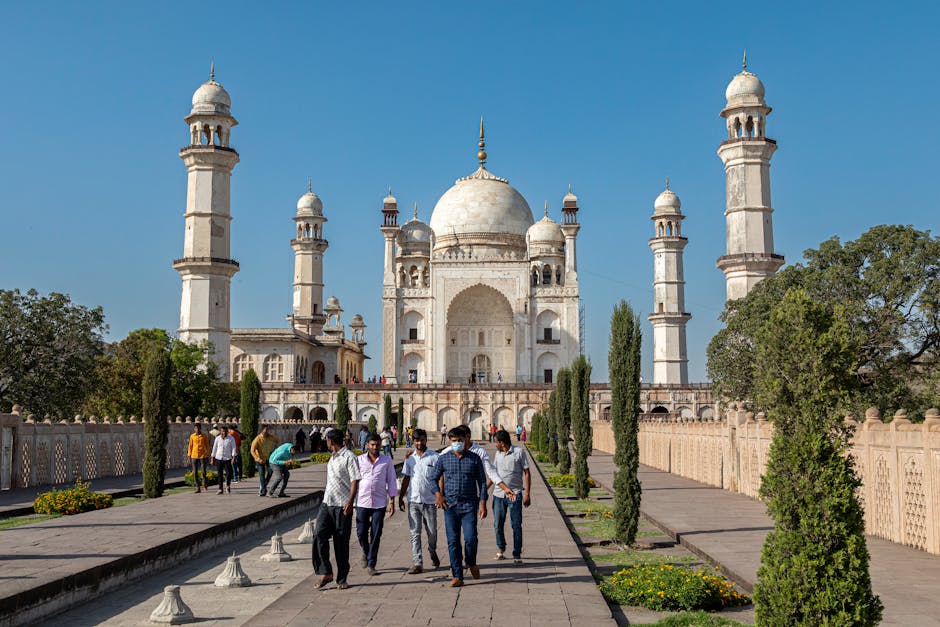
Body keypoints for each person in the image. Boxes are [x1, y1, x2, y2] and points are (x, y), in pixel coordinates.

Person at [429, 427, 488, 587]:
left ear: (466, 440)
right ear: (450, 441)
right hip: (451, 506)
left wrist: (483, 503)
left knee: (471, 538)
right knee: (453, 541)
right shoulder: (444, 458)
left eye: (459, 441)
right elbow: (433, 479)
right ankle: (457, 575)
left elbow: (482, 482)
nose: (457, 444)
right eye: (454, 441)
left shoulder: (474, 459)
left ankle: (470, 561)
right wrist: (438, 496)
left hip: (469, 505)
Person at [313, 428, 361, 591]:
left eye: (327, 440)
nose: (326, 442)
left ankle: (342, 578)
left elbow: (355, 480)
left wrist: (350, 501)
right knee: (319, 534)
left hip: (342, 505)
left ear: (331, 441)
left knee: (341, 542)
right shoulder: (333, 458)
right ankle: (325, 571)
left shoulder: (349, 457)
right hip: (327, 503)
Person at [398, 428, 440, 574]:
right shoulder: (410, 459)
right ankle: (417, 563)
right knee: (415, 533)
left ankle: (432, 550)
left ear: (425, 440)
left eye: (421, 440)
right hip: (414, 501)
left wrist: (440, 495)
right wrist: (401, 497)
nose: (419, 443)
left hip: (429, 501)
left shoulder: (434, 457)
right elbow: (406, 478)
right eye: (416, 440)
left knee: (432, 532)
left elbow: (440, 477)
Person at [356, 434, 397, 575]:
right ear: (367, 445)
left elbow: (391, 480)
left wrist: (392, 501)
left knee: (376, 534)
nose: (375, 447)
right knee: (361, 532)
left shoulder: (386, 461)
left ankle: (371, 563)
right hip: (362, 501)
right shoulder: (359, 460)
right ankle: (366, 552)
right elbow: (354, 480)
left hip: (379, 503)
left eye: (377, 445)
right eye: (372, 444)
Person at [492, 430, 531, 564]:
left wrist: (527, 494)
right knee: (498, 524)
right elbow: (494, 474)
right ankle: (500, 548)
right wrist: (484, 488)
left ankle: (517, 553)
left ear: (502, 443)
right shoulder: (498, 454)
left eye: (496, 442)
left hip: (514, 493)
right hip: (498, 494)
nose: (495, 444)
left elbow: (527, 472)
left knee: (516, 525)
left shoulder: (518, 452)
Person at [251, 424, 281, 497]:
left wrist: (275, 451)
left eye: (268, 430)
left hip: (268, 458)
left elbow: (278, 441)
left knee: (270, 471)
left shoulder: (270, 437)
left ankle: (263, 485)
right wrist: (258, 459)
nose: (267, 431)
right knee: (261, 474)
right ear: (262, 430)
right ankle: (264, 490)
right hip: (259, 459)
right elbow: (252, 450)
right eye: (266, 430)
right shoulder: (257, 439)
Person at [210, 425, 236, 494]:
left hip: (227, 458)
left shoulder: (231, 439)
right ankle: (220, 488)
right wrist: (212, 458)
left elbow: (233, 448)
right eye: (222, 431)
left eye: (224, 431)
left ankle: (227, 485)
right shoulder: (217, 439)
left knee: (229, 474)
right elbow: (214, 448)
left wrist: (233, 457)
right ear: (220, 432)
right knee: (219, 474)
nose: (223, 433)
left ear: (227, 432)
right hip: (219, 458)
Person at [187, 423, 210, 493]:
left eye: (198, 428)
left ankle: (204, 484)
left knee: (203, 471)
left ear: (200, 428)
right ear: (194, 429)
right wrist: (188, 456)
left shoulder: (204, 436)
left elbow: (207, 445)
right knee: (195, 472)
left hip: (202, 456)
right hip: (194, 456)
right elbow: (190, 446)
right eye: (195, 428)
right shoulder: (192, 436)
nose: (197, 430)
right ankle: (197, 487)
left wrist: (208, 454)